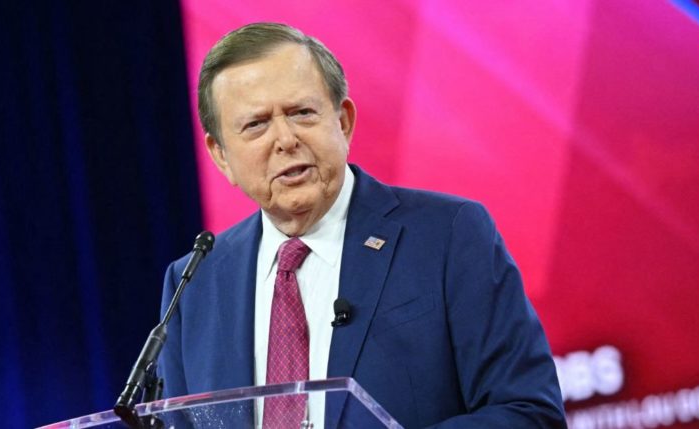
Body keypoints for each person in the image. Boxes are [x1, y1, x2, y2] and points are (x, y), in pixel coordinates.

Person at [157, 22, 566, 429]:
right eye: (256, 124)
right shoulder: (194, 283)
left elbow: (530, 414)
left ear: (344, 120)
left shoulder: (448, 236)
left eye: (301, 112)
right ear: (221, 155)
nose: (284, 139)